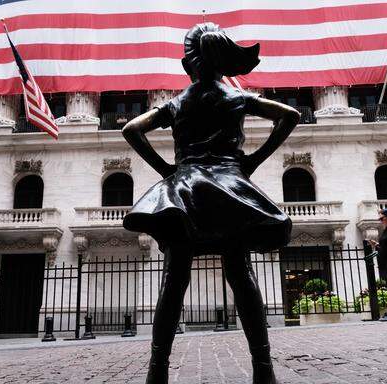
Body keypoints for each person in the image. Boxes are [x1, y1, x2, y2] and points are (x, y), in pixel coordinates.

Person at [121, 23, 300, 384]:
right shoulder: (237, 99)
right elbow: (290, 116)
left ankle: (157, 372)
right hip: (228, 190)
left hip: (185, 190)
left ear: (192, 64)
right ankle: (263, 370)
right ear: (222, 63)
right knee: (241, 273)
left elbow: (131, 129)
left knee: (174, 279)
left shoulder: (178, 102)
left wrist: (168, 170)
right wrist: (252, 161)